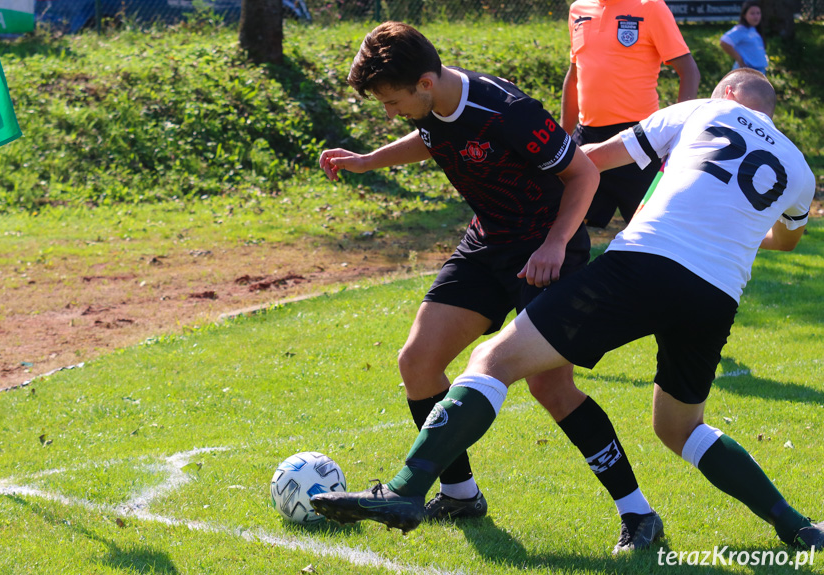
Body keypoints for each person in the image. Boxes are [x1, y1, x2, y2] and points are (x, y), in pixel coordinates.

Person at [311, 69, 824, 552]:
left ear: (727, 96)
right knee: (681, 428)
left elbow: (594, 158)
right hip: (716, 296)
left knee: (493, 361)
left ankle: (405, 487)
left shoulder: (702, 111)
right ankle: (797, 528)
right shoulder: (799, 171)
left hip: (645, 266)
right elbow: (786, 239)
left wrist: (520, 176)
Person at [318, 21, 663, 552]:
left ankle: (638, 515)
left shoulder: (507, 110)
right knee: (418, 362)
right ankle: (459, 494)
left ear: (426, 82)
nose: (389, 112)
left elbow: (584, 175)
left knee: (551, 387)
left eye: (392, 101)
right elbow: (430, 139)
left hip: (548, 247)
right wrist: (368, 160)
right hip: (487, 243)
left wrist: (553, 243)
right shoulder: (433, 105)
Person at [561, 0, 700, 229]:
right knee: (563, 228)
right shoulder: (578, 9)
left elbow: (689, 71)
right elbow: (575, 74)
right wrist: (563, 137)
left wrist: (679, 135)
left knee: (652, 233)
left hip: (639, 139)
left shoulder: (651, 7)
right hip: (587, 138)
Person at [720, 1, 768, 74]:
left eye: (758, 13)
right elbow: (724, 42)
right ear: (744, 15)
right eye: (752, 13)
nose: (756, 16)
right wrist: (739, 60)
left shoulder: (754, 29)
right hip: (747, 72)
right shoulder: (740, 30)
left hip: (759, 71)